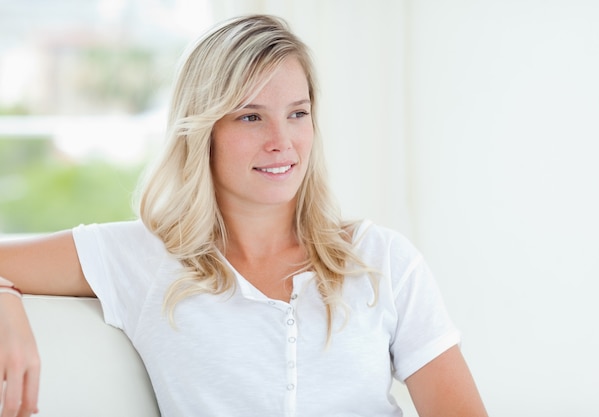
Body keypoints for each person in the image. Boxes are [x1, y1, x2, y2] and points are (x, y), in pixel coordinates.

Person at [0, 14, 488, 417]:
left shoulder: (383, 259)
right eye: (250, 116)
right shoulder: (144, 259)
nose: (282, 140)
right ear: (203, 129)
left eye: (297, 113)